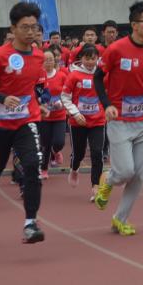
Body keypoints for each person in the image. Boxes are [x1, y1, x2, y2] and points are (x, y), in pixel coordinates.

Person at [0, 2, 49, 244]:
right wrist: (3, 98)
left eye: (33, 27)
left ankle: (30, 223)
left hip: (27, 120)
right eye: (24, 27)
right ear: (13, 29)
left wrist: (40, 102)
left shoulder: (38, 56)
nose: (30, 32)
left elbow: (32, 86)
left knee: (33, 165)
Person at [92, 2, 143, 235]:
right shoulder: (116, 49)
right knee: (125, 171)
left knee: (141, 174)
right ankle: (108, 180)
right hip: (120, 120)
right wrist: (106, 106)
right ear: (135, 25)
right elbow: (97, 78)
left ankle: (120, 218)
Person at [63, 44, 106, 198]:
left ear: (97, 59)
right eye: (87, 58)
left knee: (97, 152)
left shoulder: (101, 74)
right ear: (81, 58)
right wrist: (75, 114)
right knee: (79, 153)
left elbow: (108, 93)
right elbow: (65, 97)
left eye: (93, 58)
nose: (90, 62)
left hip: (98, 121)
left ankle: (95, 186)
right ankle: (74, 169)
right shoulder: (74, 75)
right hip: (78, 122)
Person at [38, 48, 68, 180]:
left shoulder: (61, 75)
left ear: (55, 60)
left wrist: (62, 102)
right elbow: (35, 94)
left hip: (59, 115)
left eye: (50, 59)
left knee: (59, 141)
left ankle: (56, 151)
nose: (48, 62)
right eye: (45, 60)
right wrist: (41, 103)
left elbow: (67, 92)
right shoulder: (39, 77)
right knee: (45, 143)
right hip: (44, 117)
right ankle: (44, 169)